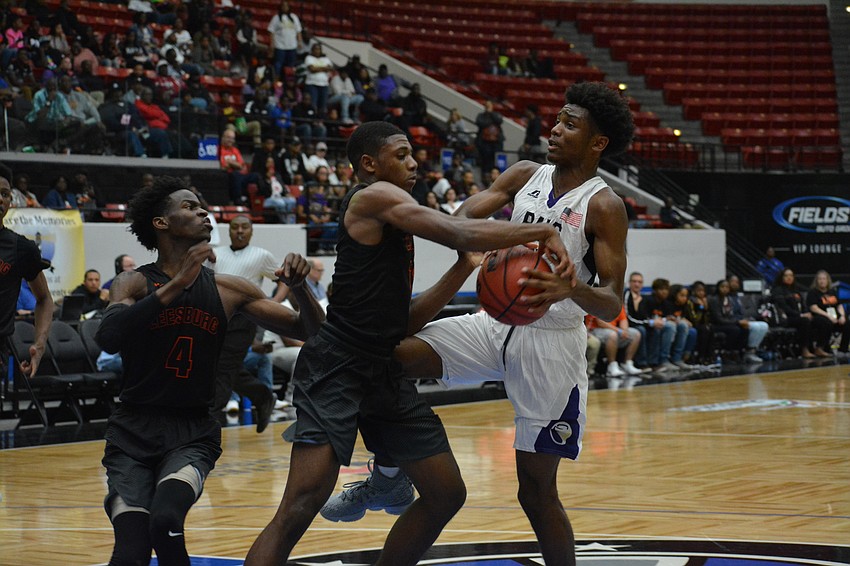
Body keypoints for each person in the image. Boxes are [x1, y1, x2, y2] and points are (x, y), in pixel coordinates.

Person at [319, 82, 635, 566]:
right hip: (494, 323)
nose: (554, 129)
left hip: (551, 344)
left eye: (570, 125)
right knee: (387, 356)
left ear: (598, 143)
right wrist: (496, 238)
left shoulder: (604, 205)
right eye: (558, 119)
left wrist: (570, 287)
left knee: (535, 492)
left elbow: (611, 301)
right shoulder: (525, 174)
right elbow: (463, 215)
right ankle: (389, 473)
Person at [244, 120, 572, 565]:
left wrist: (463, 268)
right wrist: (542, 232)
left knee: (445, 492)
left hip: (381, 367)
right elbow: (457, 230)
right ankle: (386, 476)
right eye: (401, 155)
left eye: (412, 153)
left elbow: (403, 322)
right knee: (300, 505)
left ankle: (387, 479)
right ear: (369, 164)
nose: (413, 162)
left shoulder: (395, 214)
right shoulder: (373, 197)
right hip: (337, 367)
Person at [94, 175, 324, 566]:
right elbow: (109, 337)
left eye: (203, 206)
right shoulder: (133, 282)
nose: (203, 211)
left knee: (165, 521)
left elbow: (311, 331)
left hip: (192, 431)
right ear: (161, 223)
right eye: (189, 206)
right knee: (132, 551)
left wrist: (300, 288)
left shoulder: (229, 289)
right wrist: (176, 285)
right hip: (133, 429)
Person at [211, 214, 291, 426]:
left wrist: (273, 302)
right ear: (228, 230)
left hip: (243, 319)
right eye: (235, 227)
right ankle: (263, 396)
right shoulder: (216, 253)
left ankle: (210, 418)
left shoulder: (261, 255)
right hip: (215, 317)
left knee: (223, 367)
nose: (239, 231)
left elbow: (283, 280)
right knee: (220, 366)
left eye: (244, 227)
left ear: (251, 231)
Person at [0, 171, 53, 378]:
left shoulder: (21, 248)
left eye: (5, 194)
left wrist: (39, 346)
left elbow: (44, 299)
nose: (0, 199)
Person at [587, 305, 643, 381]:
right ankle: (612, 366)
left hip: (614, 330)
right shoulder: (599, 302)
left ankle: (627, 363)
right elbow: (600, 323)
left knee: (636, 334)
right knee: (613, 335)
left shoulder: (617, 303)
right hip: (595, 330)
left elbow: (623, 319)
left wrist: (625, 331)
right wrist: (619, 331)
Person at [771, 268, 817, 358]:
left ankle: (819, 348)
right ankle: (804, 349)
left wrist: (807, 313)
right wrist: (800, 315)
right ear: (781, 277)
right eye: (786, 275)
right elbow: (784, 307)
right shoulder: (778, 290)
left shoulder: (796, 291)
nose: (789, 278)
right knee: (804, 321)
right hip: (785, 318)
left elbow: (803, 305)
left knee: (818, 320)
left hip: (798, 317)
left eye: (791, 275)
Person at [806, 269, 849, 358]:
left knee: (847, 323)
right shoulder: (813, 292)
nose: (822, 281)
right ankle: (820, 348)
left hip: (834, 316)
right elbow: (813, 308)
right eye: (820, 279)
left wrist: (842, 316)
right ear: (816, 281)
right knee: (826, 323)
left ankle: (843, 349)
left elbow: (839, 305)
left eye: (824, 279)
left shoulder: (832, 291)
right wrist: (828, 316)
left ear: (828, 280)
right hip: (820, 316)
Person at [267, 0, 302, 81]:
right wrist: (272, 43)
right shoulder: (276, 18)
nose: (285, 7)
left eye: (286, 6)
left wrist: (299, 41)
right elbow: (271, 31)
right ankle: (277, 81)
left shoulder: (294, 17)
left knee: (290, 66)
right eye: (283, 6)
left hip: (292, 46)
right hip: (280, 46)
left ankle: (289, 81)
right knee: (278, 65)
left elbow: (298, 30)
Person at [474, 99, 504, 176]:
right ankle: (485, 174)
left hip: (496, 142)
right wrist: (490, 121)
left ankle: (495, 174)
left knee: (495, 159)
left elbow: (499, 121)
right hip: (484, 142)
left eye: (489, 106)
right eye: (486, 106)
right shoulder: (481, 116)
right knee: (485, 159)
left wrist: (491, 114)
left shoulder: (496, 114)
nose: (488, 107)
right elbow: (481, 123)